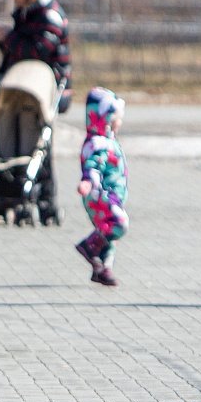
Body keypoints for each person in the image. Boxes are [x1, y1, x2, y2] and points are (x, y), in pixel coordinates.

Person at [0, 0, 72, 100]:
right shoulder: (27, 13)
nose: (14, 0)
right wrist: (3, 39)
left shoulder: (50, 16)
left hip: (49, 87)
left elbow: (37, 52)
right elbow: (17, 53)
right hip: (26, 82)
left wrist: (8, 37)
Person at [75, 87, 128, 287]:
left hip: (112, 195)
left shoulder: (107, 141)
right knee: (119, 224)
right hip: (100, 195)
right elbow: (93, 165)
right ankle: (88, 247)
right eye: (116, 118)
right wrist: (87, 181)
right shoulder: (98, 144)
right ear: (105, 119)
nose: (120, 123)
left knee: (110, 235)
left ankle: (103, 269)